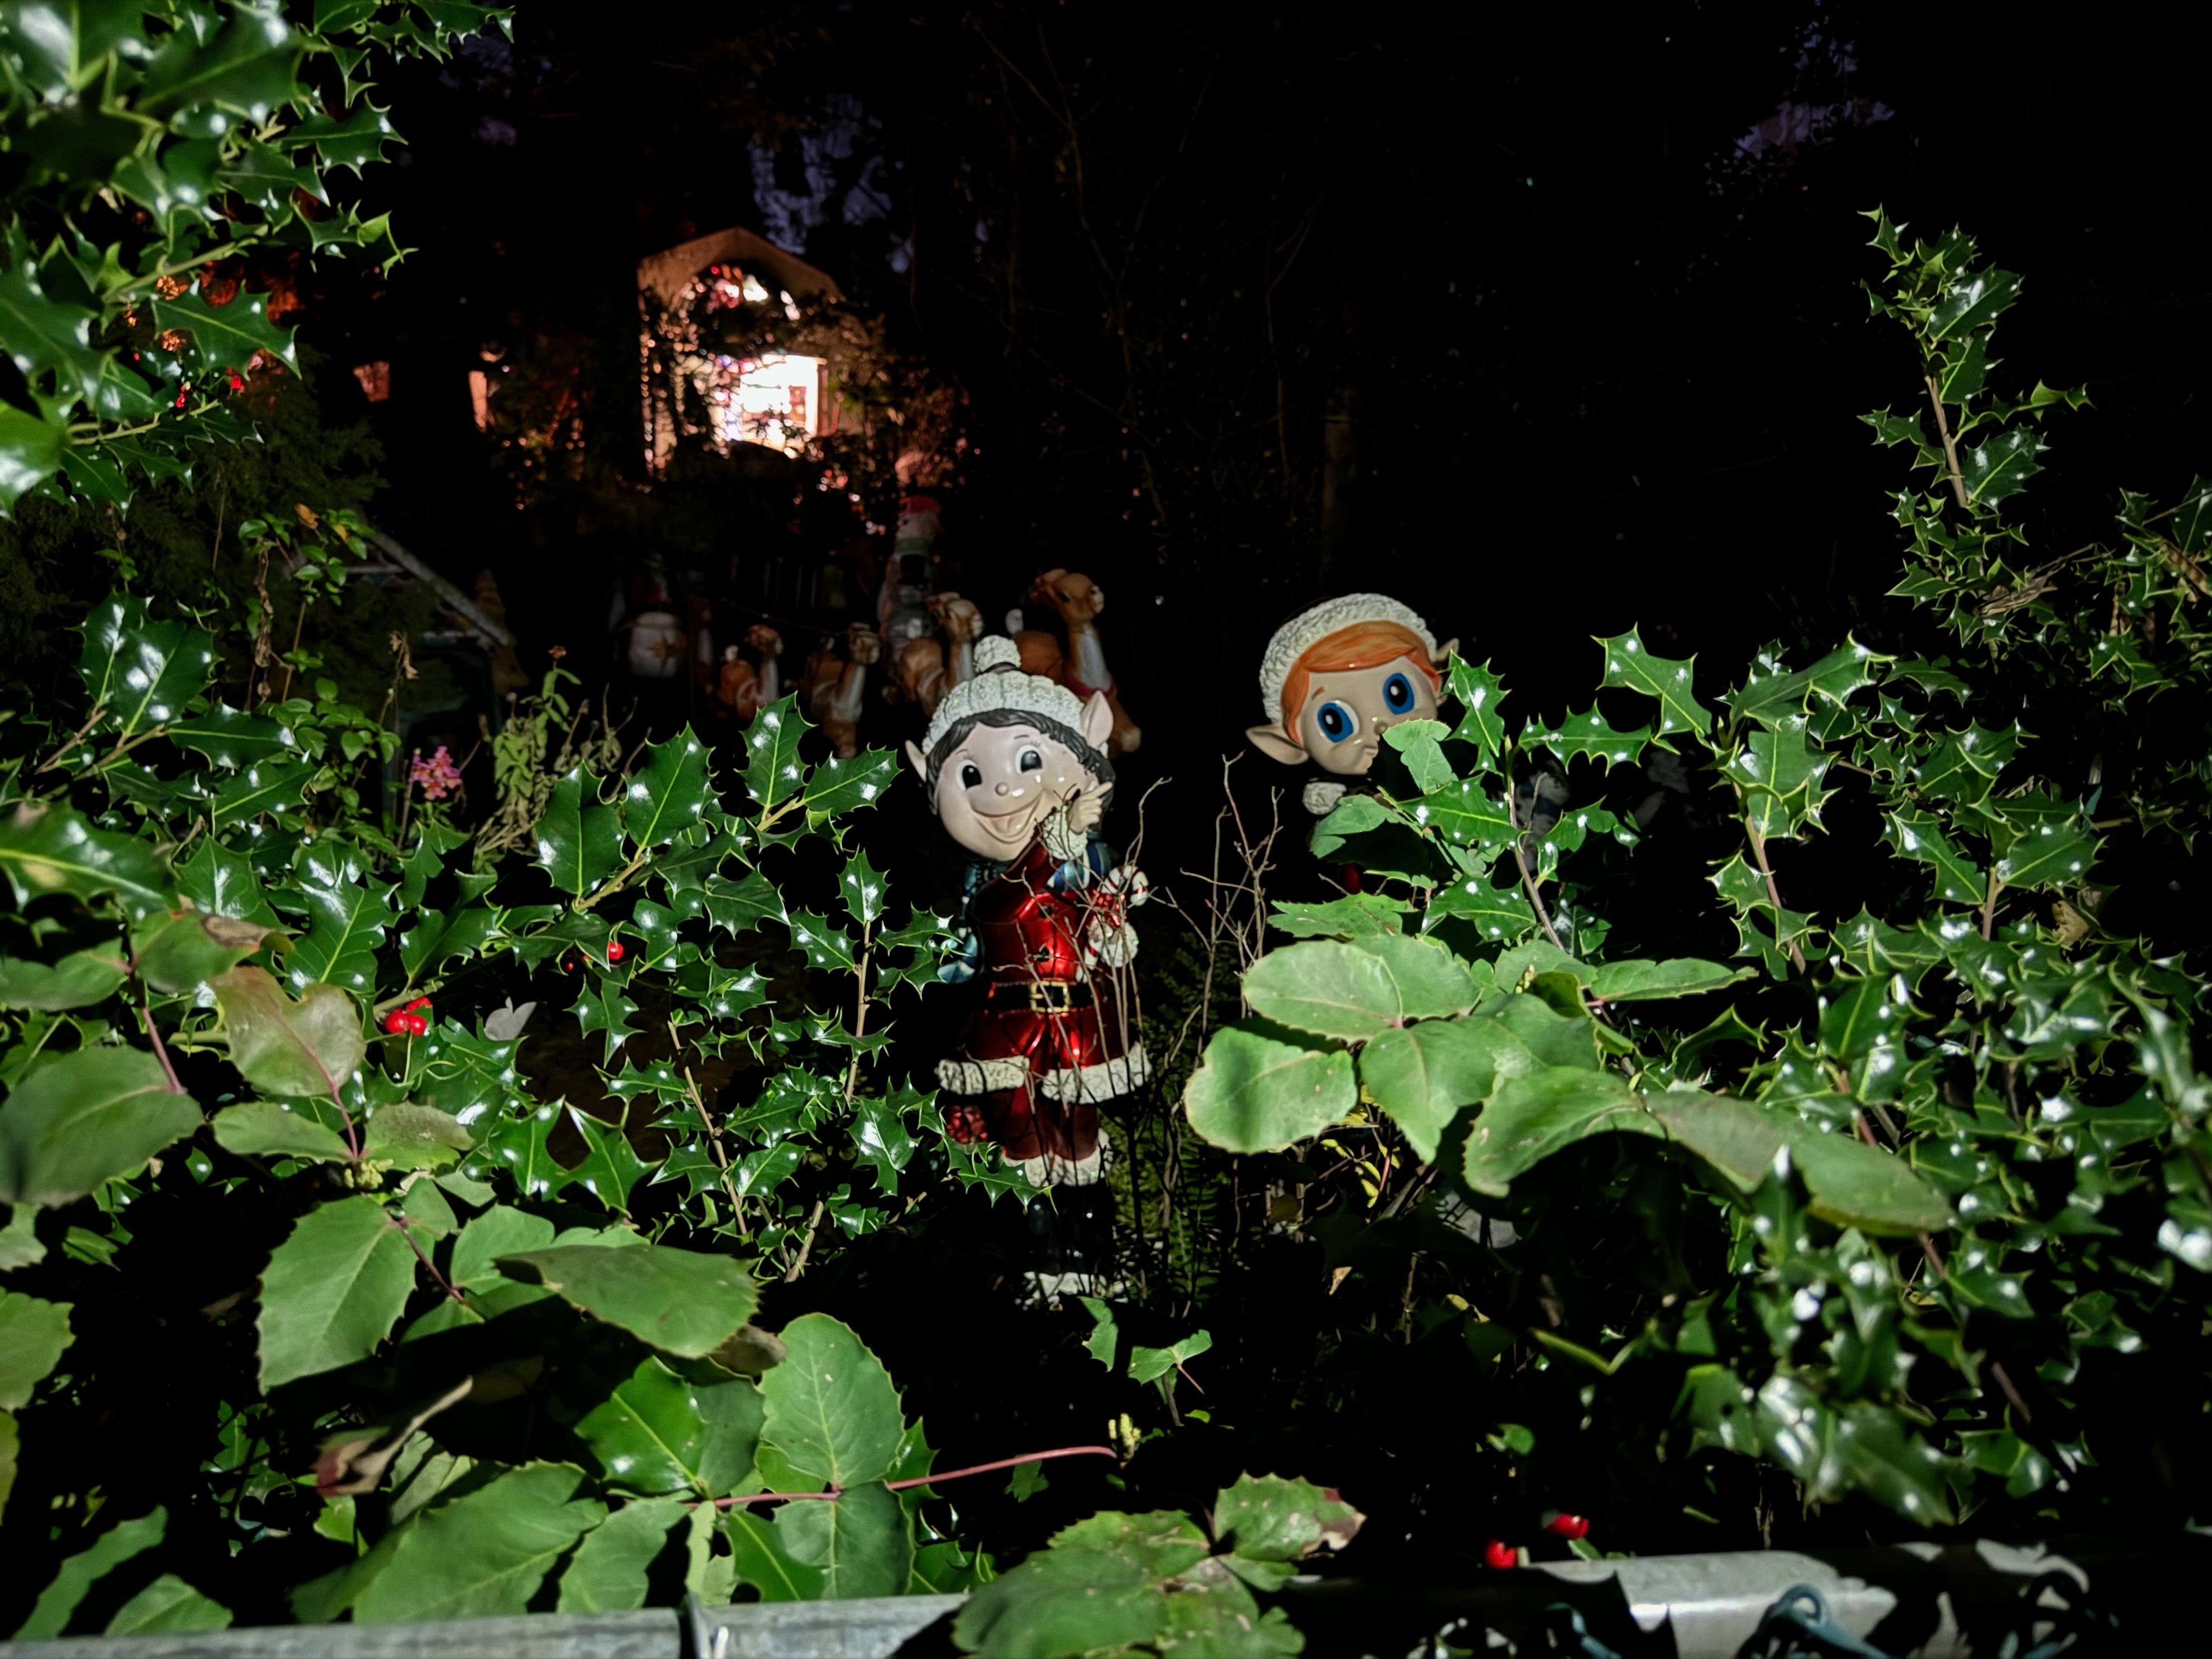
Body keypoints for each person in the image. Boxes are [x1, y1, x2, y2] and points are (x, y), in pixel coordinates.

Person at [904, 636, 1148, 1189]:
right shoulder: (984, 885)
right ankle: (1030, 1219)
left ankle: (1085, 1220)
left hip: (1080, 1020)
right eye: (970, 775)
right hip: (1005, 1024)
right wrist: (1058, 839)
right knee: (1018, 1129)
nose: (1001, 788)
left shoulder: (1091, 865)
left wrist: (1114, 917)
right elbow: (1001, 910)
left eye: (1028, 760)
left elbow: (1104, 935)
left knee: (1079, 1132)